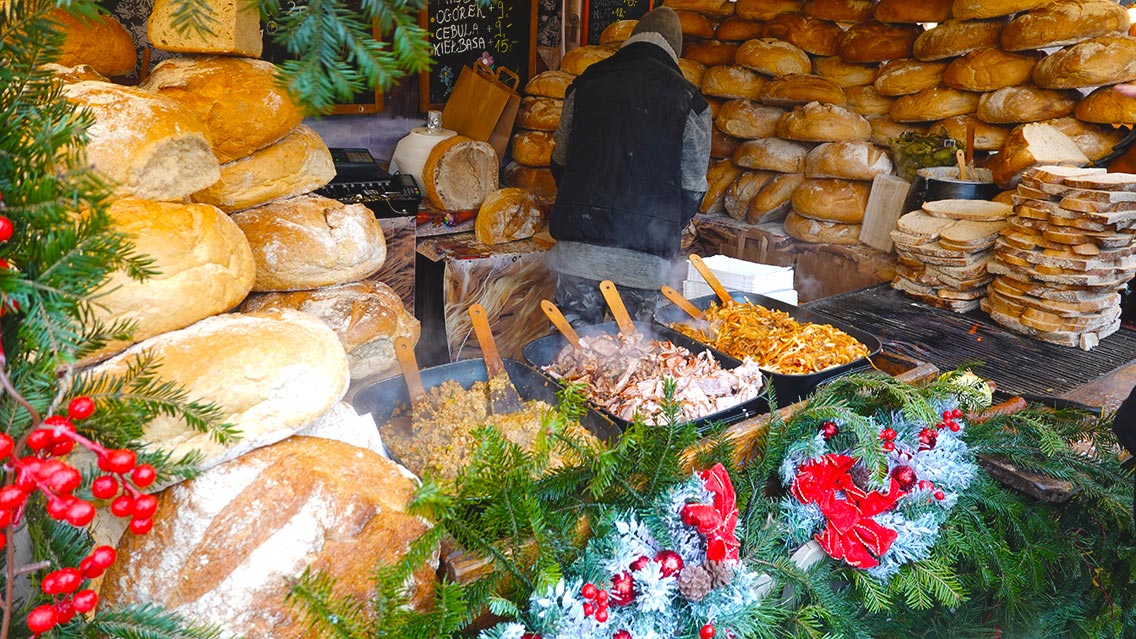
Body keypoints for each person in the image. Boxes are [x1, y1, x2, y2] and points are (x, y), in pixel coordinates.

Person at [545, 6, 712, 327]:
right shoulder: (690, 100)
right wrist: (662, 223)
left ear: (633, 40)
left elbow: (560, 160)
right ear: (674, 52)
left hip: (578, 256)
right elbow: (692, 189)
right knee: (641, 365)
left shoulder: (585, 83)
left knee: (567, 360)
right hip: (646, 265)